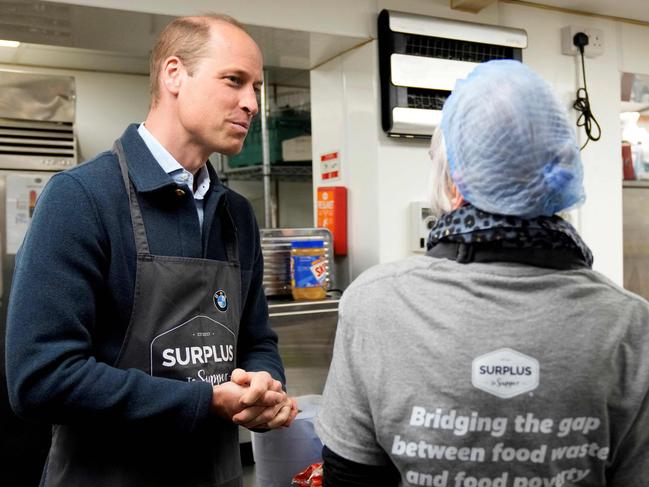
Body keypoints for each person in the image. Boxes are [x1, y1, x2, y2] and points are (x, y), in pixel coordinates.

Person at [315, 60, 649, 486]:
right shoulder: (631, 324)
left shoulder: (375, 302)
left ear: (454, 181)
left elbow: (350, 477)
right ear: (561, 172)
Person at [5, 13, 297, 487]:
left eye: (257, 88)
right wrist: (206, 402)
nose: (251, 104)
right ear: (174, 74)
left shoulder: (235, 213)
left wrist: (263, 385)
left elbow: (257, 339)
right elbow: (40, 378)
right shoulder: (81, 198)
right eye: (234, 81)